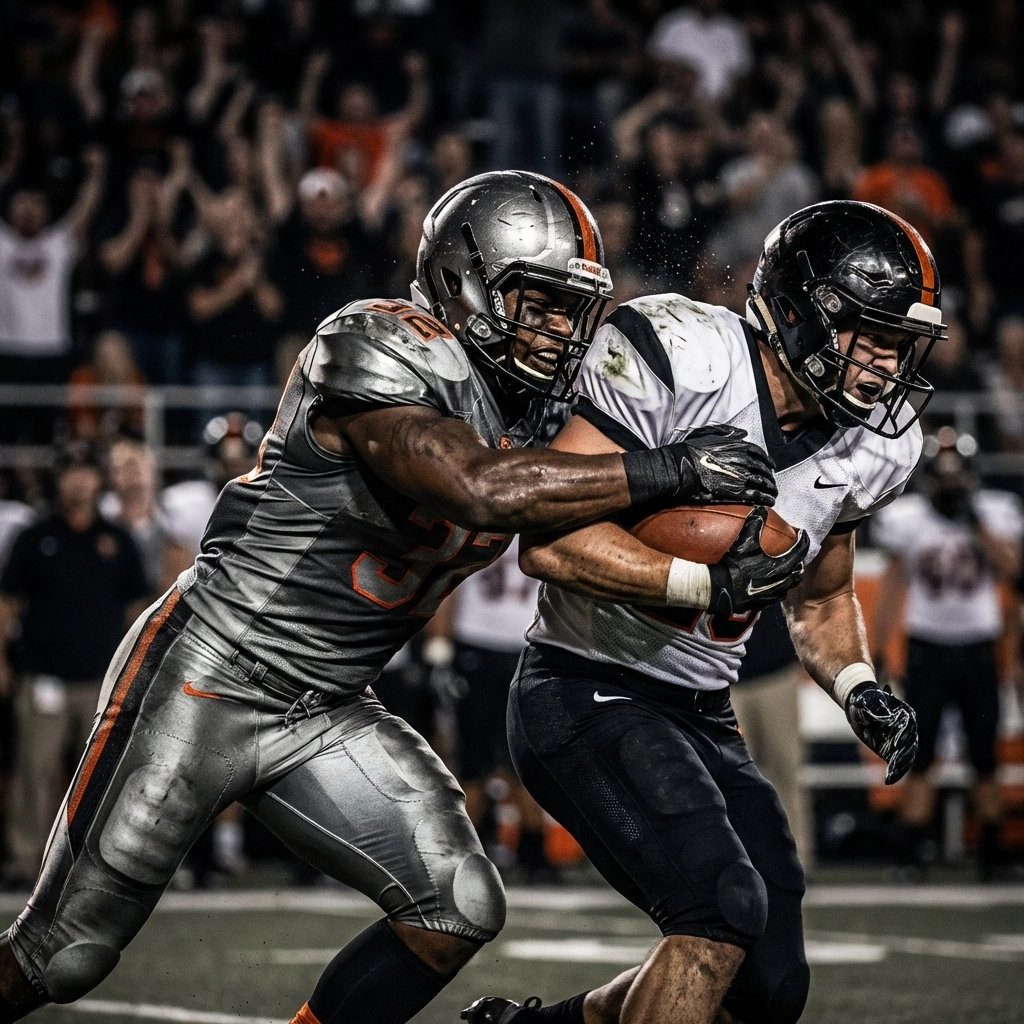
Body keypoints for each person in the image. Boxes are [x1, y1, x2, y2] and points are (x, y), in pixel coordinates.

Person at [0, 171, 777, 1024]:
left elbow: (566, 512)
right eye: (540, 304)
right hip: (210, 668)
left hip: (329, 704)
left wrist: (726, 553)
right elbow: (477, 487)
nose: (562, 332)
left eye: (574, 310)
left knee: (458, 907)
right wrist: (663, 468)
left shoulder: (542, 414)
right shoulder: (380, 342)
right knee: (62, 955)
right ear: (465, 283)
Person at [464, 200, 944, 1024]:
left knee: (769, 991)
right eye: (869, 335)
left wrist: (859, 684)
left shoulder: (881, 443)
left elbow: (822, 594)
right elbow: (546, 543)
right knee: (717, 914)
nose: (885, 364)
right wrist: (703, 584)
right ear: (799, 311)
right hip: (584, 688)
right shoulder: (682, 355)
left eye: (901, 343)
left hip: (701, 711)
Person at [872, 431, 1023, 881]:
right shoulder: (913, 519)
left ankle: (992, 853)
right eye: (943, 477)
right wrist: (880, 652)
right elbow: (892, 590)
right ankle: (911, 851)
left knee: (983, 755)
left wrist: (974, 520)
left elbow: (1013, 571)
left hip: (979, 649)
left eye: (957, 477)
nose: (950, 485)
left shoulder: (992, 515)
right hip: (928, 649)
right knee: (921, 754)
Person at [0, 445, 150, 888]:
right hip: (43, 675)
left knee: (103, 779)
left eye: (87, 472)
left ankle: (100, 863)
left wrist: (137, 670)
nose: (79, 481)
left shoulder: (118, 540)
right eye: (71, 472)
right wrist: (2, 662)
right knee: (34, 773)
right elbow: (7, 603)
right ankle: (24, 861)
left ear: (98, 480)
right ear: (58, 478)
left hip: (103, 682)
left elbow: (140, 610)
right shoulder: (34, 536)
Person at [731, 603, 812, 869]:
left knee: (785, 769)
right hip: (721, 671)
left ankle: (795, 858)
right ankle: (733, 861)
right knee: (728, 775)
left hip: (774, 666)